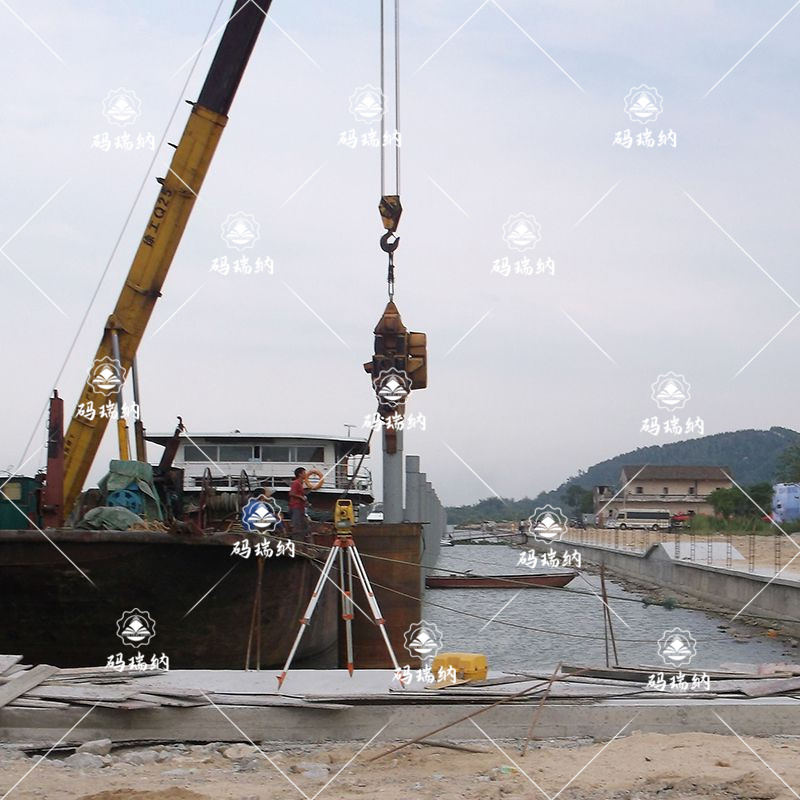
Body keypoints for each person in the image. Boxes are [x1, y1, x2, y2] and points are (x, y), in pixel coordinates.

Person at [288, 467, 310, 541]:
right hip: (296, 506)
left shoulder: (300, 483)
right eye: (304, 473)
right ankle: (296, 540)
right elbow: (291, 493)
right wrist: (301, 497)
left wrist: (305, 501)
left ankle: (302, 540)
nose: (305, 474)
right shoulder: (296, 483)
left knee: (303, 524)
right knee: (296, 524)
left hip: (301, 507)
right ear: (300, 474)